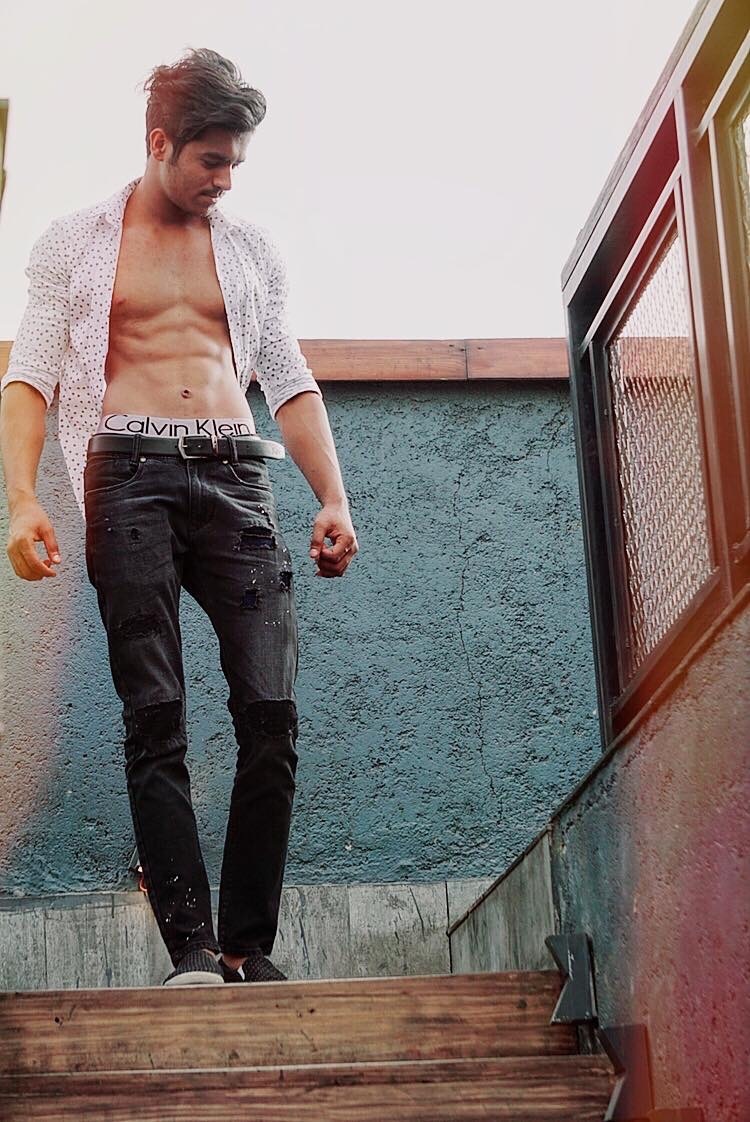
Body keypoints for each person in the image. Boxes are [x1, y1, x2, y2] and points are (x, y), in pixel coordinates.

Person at [0, 48, 358, 986]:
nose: (225, 180)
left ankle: (247, 945)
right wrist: (24, 498)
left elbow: (289, 378)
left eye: (236, 162)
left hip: (237, 476)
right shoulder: (76, 242)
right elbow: (29, 376)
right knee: (155, 715)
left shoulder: (250, 250)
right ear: (160, 143)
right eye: (211, 160)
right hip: (127, 478)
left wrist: (332, 494)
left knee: (271, 714)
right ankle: (192, 950)